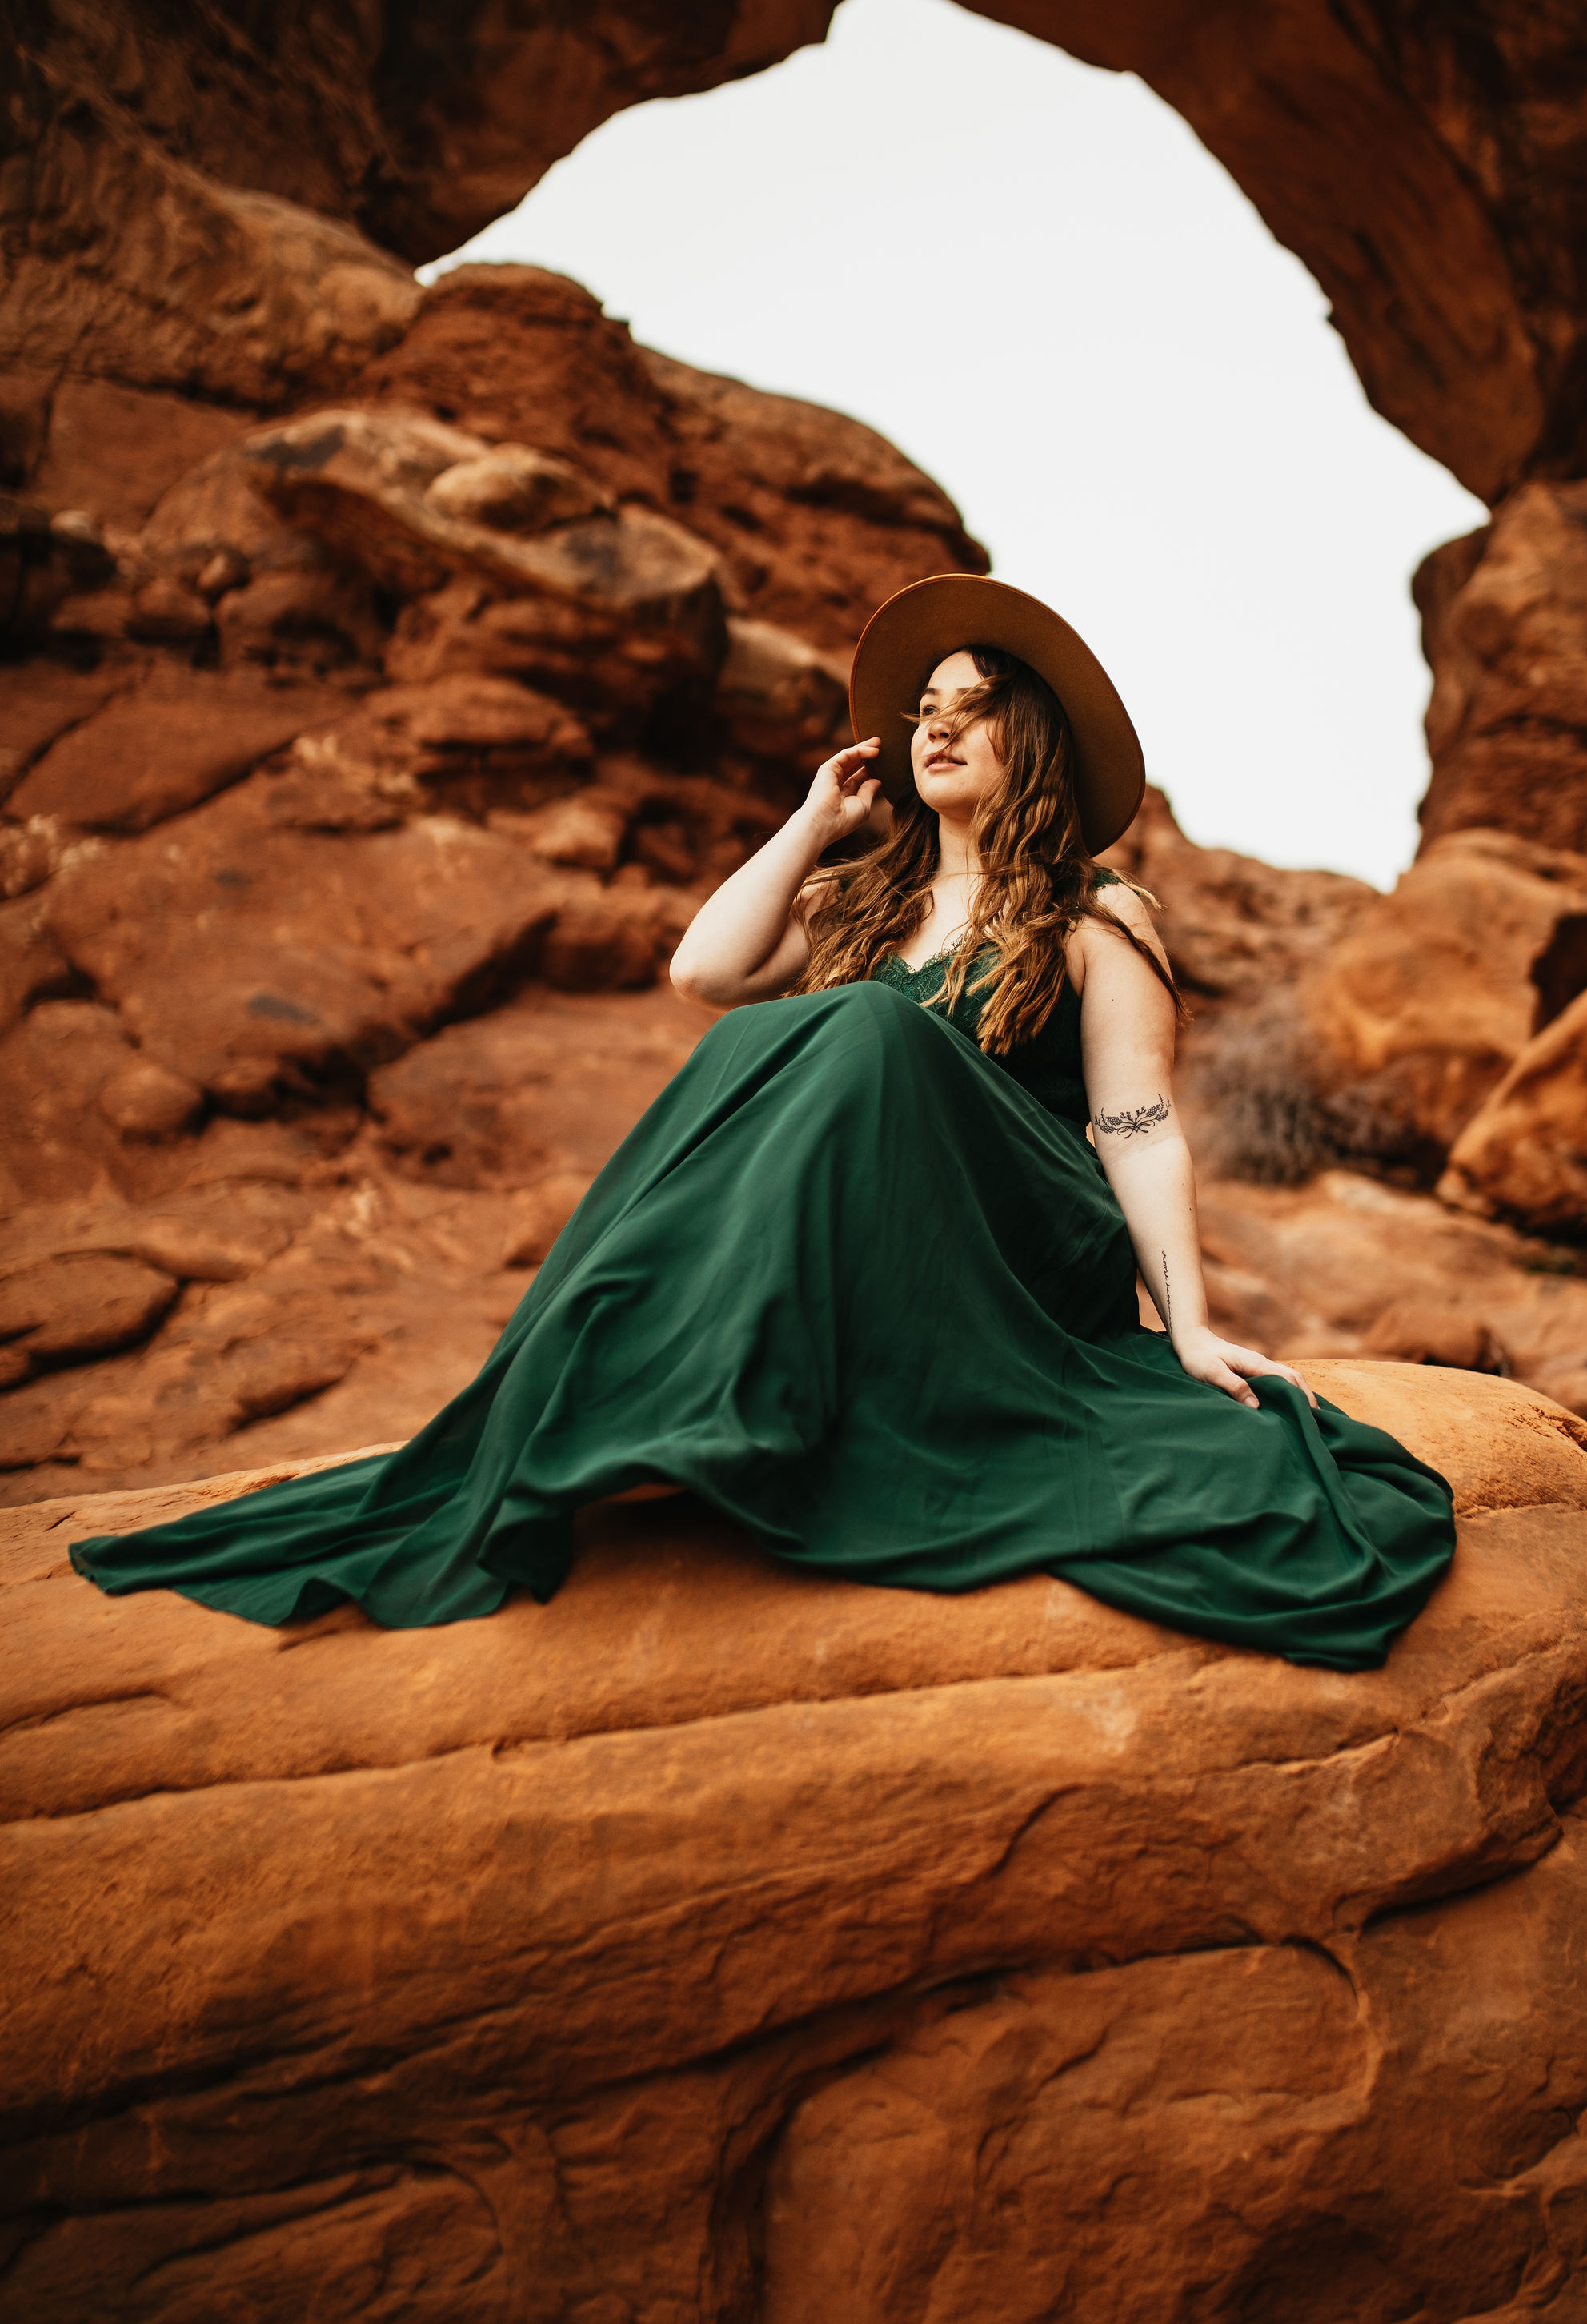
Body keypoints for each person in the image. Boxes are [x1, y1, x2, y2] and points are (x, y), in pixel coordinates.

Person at [70, 576, 1455, 1660]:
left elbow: (1138, 1123)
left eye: (969, 705)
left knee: (851, 1027)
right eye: (921, 706)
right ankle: (631, 1376)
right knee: (804, 1029)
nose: (935, 724)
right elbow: (703, 976)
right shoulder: (861, 908)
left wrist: (1188, 1323)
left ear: (1025, 736)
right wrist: (810, 823)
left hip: (1020, 1244)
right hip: (881, 1259)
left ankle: (695, 1368)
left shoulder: (1096, 912)